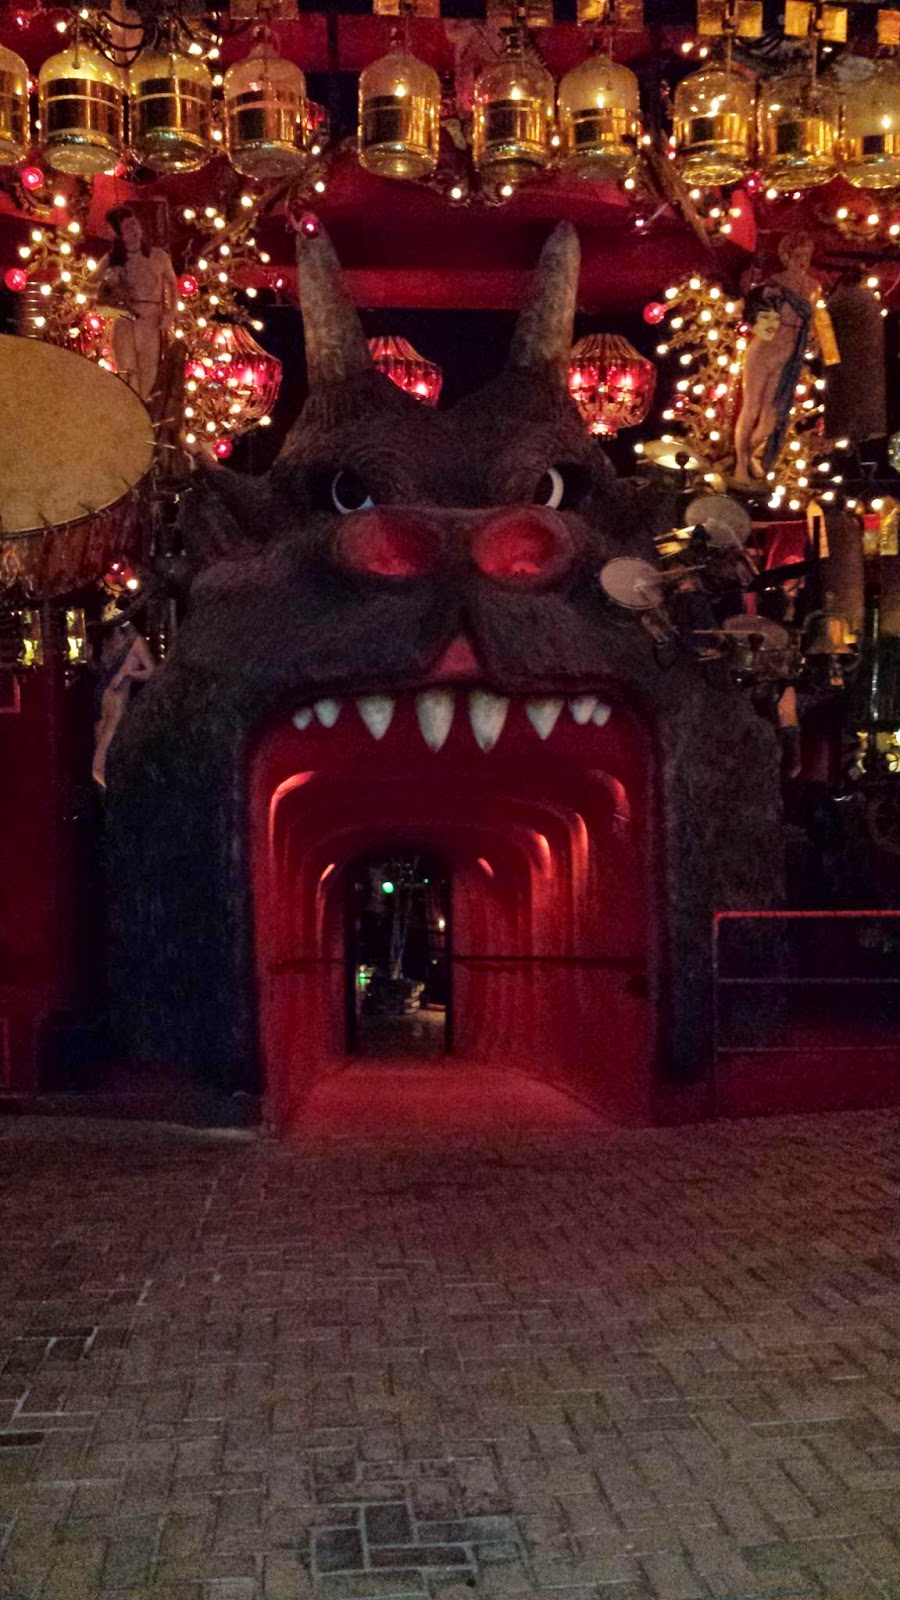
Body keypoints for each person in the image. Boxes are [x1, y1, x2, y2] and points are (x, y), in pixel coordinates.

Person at [96, 206, 179, 402]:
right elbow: (90, 289)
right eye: (127, 227)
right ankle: (132, 411)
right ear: (119, 235)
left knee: (149, 370)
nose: (133, 230)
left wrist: (171, 312)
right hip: (125, 322)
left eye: (134, 224)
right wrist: (112, 291)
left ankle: (145, 411)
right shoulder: (112, 260)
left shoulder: (159, 256)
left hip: (151, 320)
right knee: (127, 373)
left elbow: (173, 285)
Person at [732, 283, 790, 485]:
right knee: (751, 408)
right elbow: (739, 310)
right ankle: (741, 463)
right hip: (758, 358)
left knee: (769, 420)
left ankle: (747, 454)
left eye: (776, 318)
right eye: (765, 317)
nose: (772, 324)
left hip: (779, 358)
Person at [92, 612, 155, 789]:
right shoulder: (113, 641)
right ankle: (104, 792)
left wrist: (128, 673)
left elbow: (151, 671)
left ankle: (109, 791)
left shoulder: (135, 642)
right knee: (101, 745)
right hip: (106, 697)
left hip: (116, 698)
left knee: (103, 750)